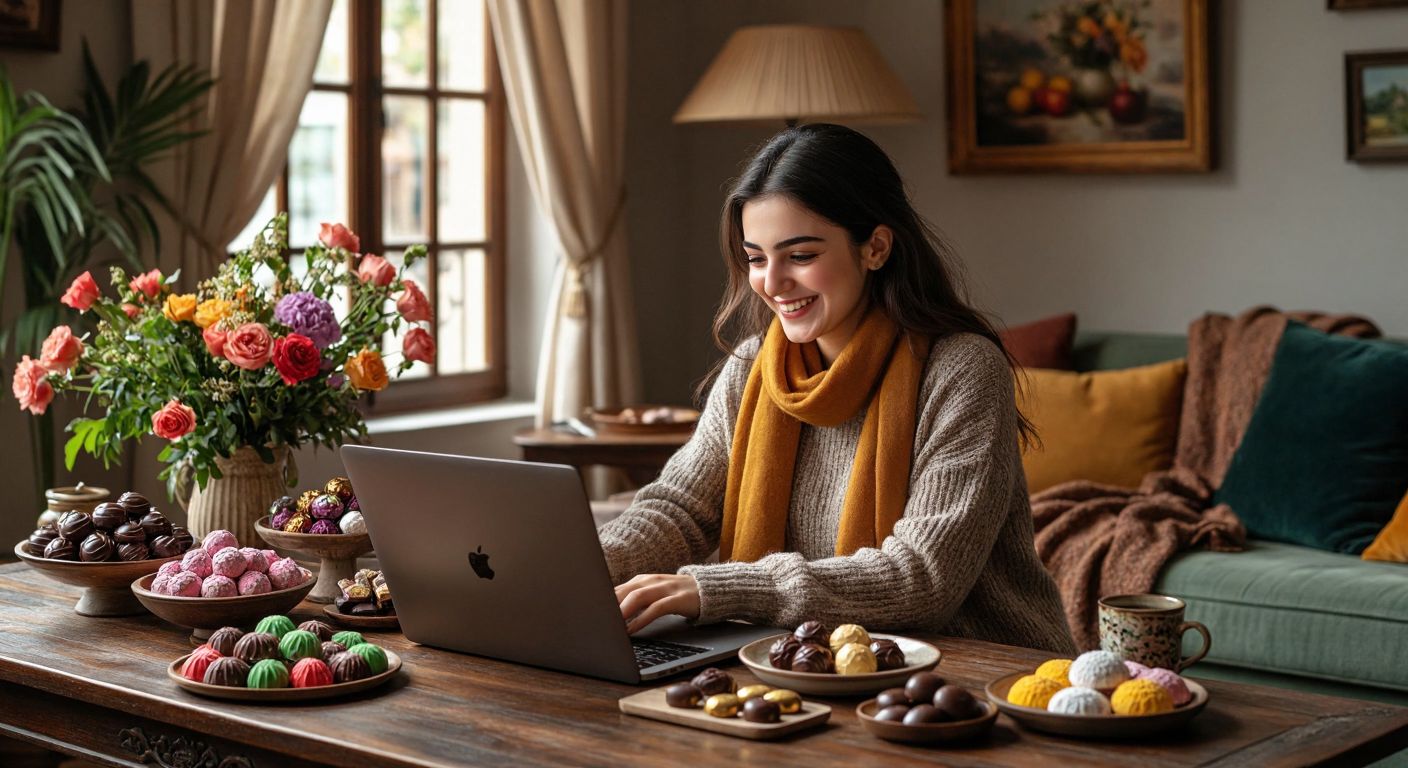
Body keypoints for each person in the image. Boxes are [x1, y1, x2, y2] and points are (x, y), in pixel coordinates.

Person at [599, 123, 1075, 654]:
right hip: (803, 657)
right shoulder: (752, 367)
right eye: (756, 258)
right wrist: (578, 564)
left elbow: (922, 578)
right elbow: (679, 509)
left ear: (875, 247)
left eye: (800, 256)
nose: (772, 283)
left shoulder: (962, 371)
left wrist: (714, 588)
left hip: (977, 668)